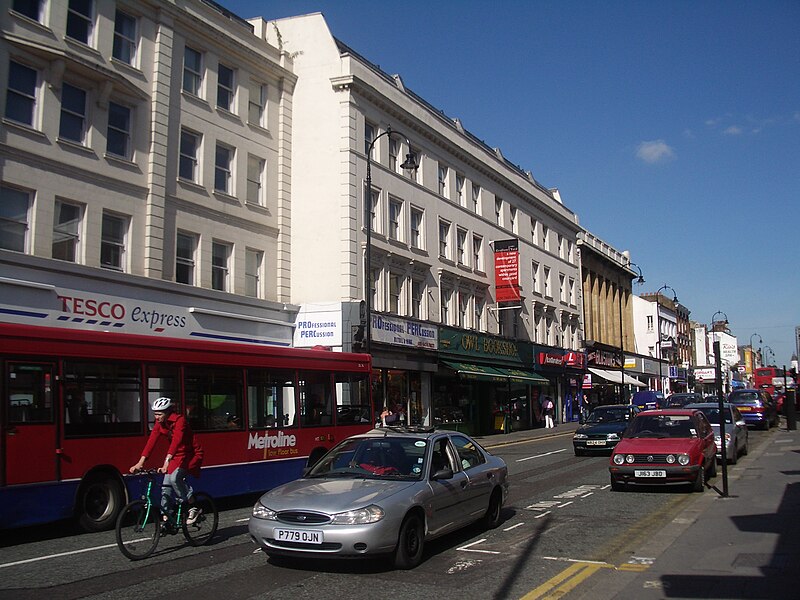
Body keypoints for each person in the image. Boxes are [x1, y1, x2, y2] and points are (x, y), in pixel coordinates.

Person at [130, 397, 204, 524]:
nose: (156, 417)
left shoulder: (180, 421)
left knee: (175, 478)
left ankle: (193, 506)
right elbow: (151, 442)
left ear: (168, 412)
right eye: (155, 414)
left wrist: (166, 462)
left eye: (159, 414)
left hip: (190, 455)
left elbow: (176, 441)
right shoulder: (160, 424)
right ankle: (167, 517)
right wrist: (140, 462)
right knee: (166, 486)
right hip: (176, 457)